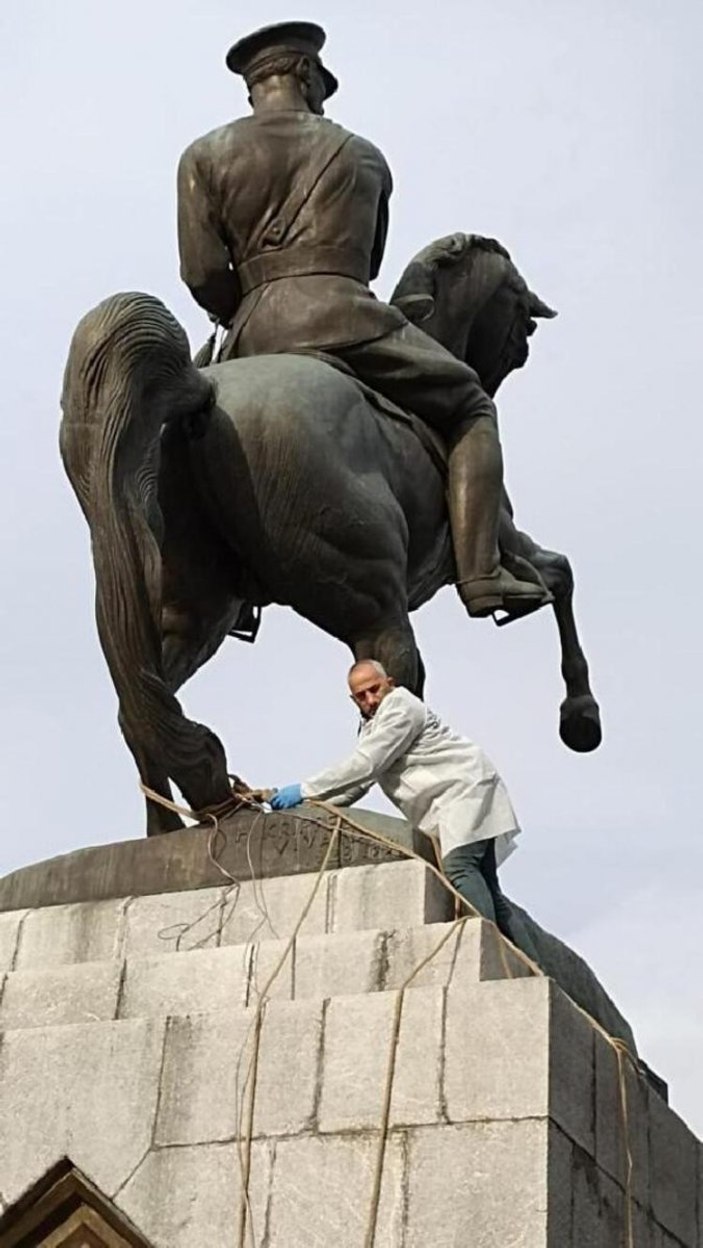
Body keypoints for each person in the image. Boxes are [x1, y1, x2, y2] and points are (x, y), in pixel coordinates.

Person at [176, 20, 551, 624]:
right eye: (320, 81)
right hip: (344, 316)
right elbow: (369, 260)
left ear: (255, 87)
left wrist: (244, 309)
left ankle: (228, 577)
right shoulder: (361, 155)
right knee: (472, 406)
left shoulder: (203, 155)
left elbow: (201, 273)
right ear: (303, 74)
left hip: (249, 336)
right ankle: (483, 573)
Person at [269, 659, 521, 934]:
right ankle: (526, 965)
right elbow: (359, 783)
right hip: (460, 796)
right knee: (488, 887)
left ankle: (489, 945)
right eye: (361, 696)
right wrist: (313, 807)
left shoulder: (401, 707)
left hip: (464, 790)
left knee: (459, 868)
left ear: (389, 683)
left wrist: (304, 789)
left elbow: (367, 764)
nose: (370, 699)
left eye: (374, 689)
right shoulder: (373, 727)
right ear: (353, 701)